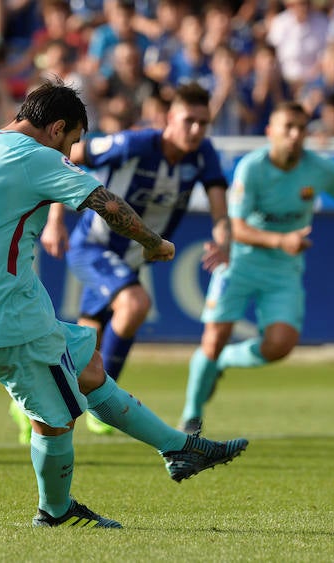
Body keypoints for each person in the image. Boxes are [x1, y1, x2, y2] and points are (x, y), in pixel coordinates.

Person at [0, 81, 248, 529]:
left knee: (90, 367)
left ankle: (177, 448)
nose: (71, 151)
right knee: (56, 420)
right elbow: (107, 203)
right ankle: (55, 512)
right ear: (57, 127)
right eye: (73, 141)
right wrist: (154, 242)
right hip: (10, 321)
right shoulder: (36, 157)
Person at [35, 82, 230, 439]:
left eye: (204, 124)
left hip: (132, 259)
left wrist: (223, 241)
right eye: (189, 121)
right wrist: (55, 220)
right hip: (93, 246)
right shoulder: (134, 144)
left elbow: (219, 207)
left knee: (85, 345)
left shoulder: (204, 155)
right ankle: (100, 400)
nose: (197, 131)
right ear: (169, 119)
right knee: (136, 303)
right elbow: (65, 160)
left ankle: (35, 403)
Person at [179, 102, 334, 434]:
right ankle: (191, 416)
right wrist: (281, 240)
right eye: (288, 127)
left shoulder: (319, 168)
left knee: (280, 345)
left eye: (301, 128)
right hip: (239, 262)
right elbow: (237, 227)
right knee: (213, 339)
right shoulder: (252, 168)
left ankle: (224, 362)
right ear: (270, 132)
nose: (295, 135)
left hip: (283, 270)